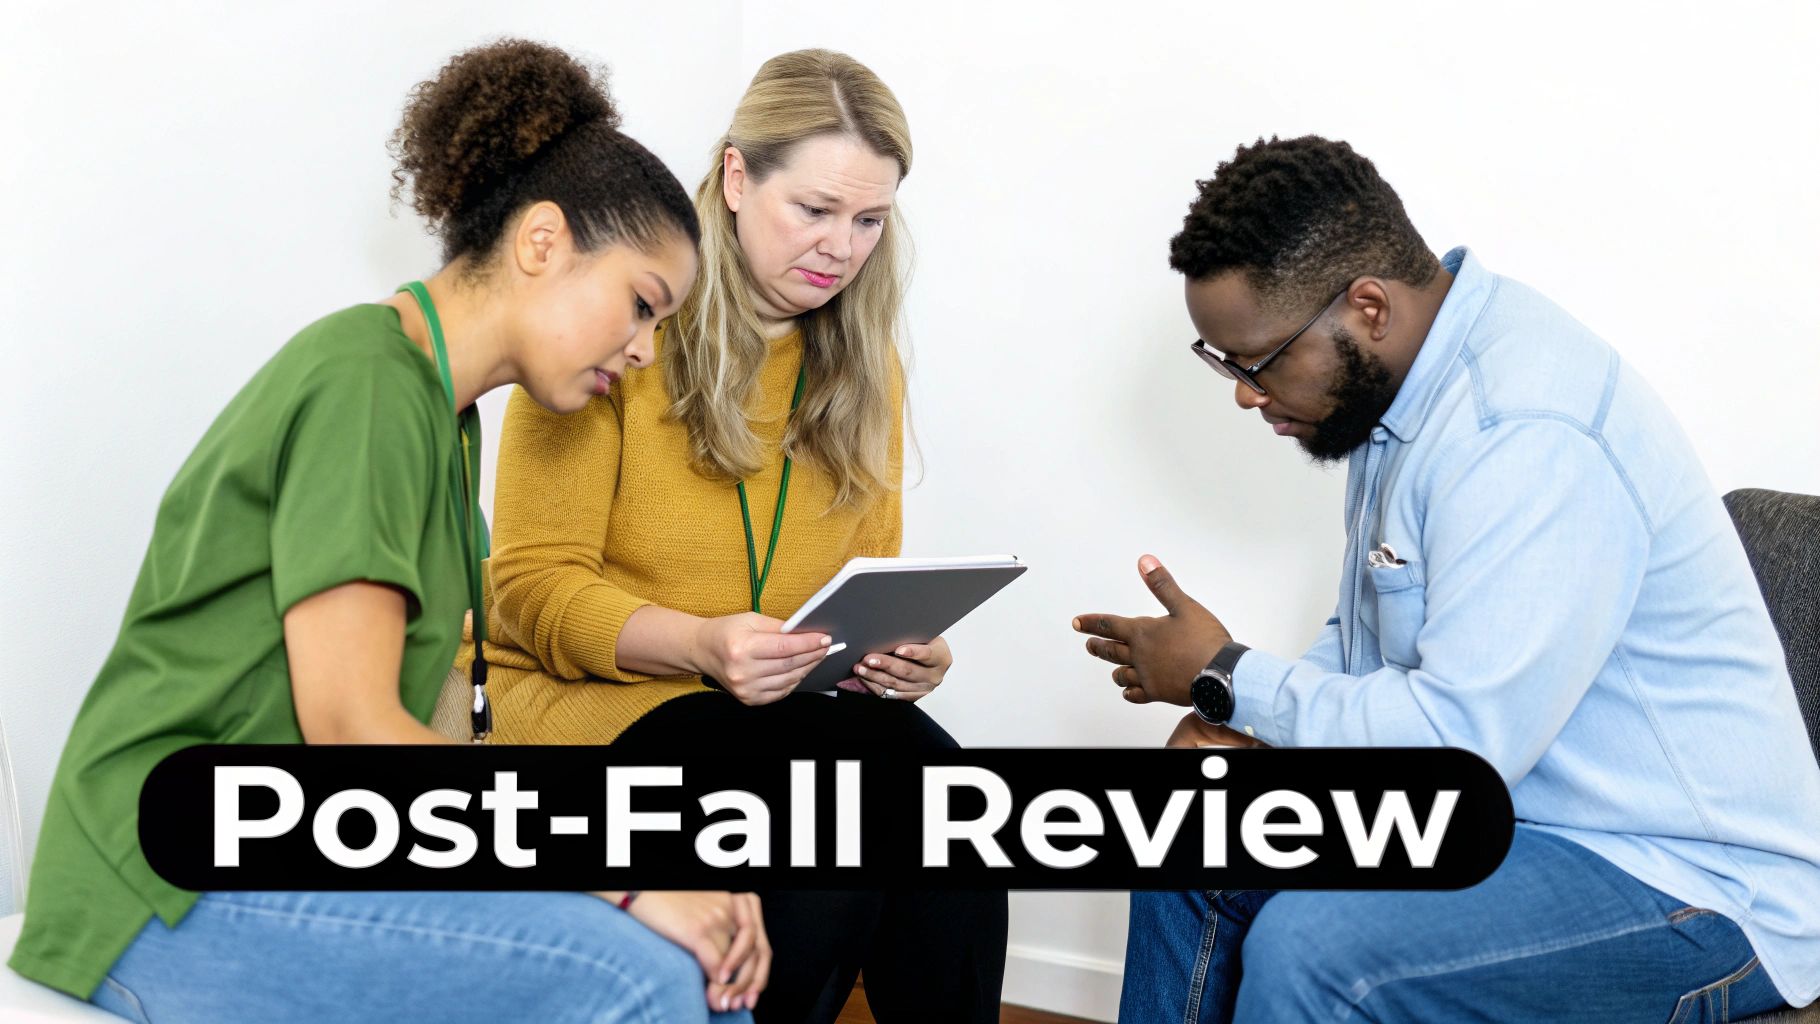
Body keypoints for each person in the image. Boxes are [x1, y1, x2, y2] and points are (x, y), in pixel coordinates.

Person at [9, 40, 772, 1022]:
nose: (642, 349)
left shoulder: (437, 421)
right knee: (647, 974)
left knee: (686, 969)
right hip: (157, 880)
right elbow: (353, 729)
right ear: (542, 242)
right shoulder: (365, 388)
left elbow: (427, 728)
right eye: (639, 304)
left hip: (292, 837)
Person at [1075, 135, 1820, 1021]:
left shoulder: (1524, 435)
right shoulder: (1399, 400)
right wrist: (1249, 729)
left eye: (1259, 362)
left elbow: (1461, 747)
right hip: (1517, 826)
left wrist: (1230, 676)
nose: (1245, 392)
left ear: (1367, 308)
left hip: (1688, 883)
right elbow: (1368, 647)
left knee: (1319, 950)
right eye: (1225, 363)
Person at [475, 49, 1007, 1024]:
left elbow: (860, 576)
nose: (841, 246)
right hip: (595, 697)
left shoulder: (859, 360)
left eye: (868, 220)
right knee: (826, 829)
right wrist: (702, 641)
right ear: (733, 176)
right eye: (812, 209)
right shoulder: (615, 325)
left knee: (951, 810)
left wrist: (896, 655)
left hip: (776, 707)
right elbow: (530, 588)